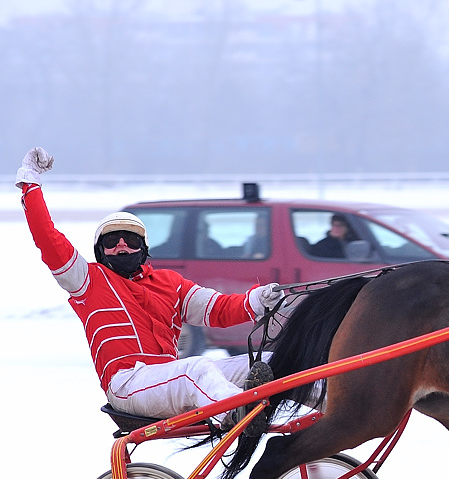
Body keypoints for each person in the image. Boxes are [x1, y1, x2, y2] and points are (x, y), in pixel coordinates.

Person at [16, 147, 282, 436]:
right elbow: (48, 239)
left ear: (142, 249)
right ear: (99, 251)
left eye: (129, 239)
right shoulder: (87, 281)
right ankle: (238, 413)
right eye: (111, 241)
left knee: (272, 360)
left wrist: (255, 300)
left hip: (169, 381)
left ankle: (330, 414)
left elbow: (218, 309)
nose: (121, 245)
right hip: (129, 384)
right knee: (196, 369)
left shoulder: (171, 283)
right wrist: (31, 183)